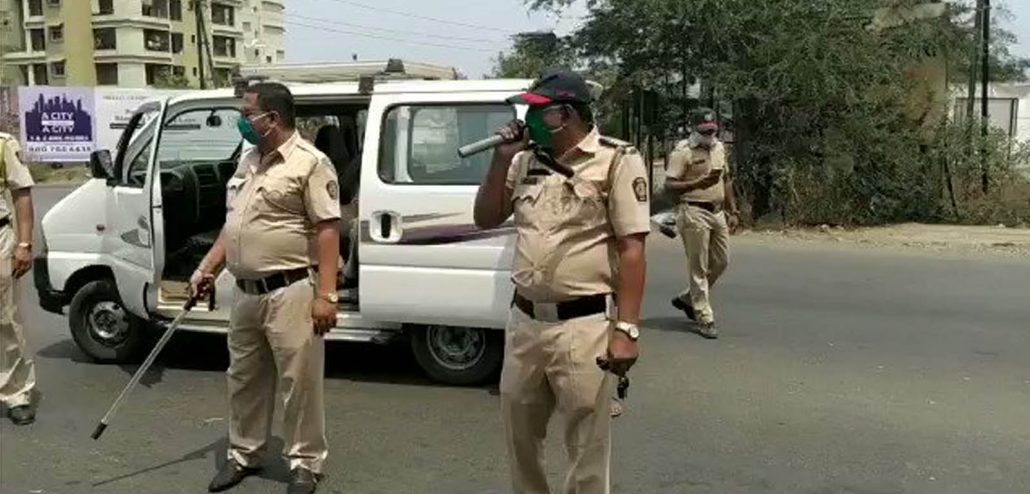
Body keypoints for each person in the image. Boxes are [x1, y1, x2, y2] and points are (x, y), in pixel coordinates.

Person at [474, 69, 650, 494]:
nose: (526, 120)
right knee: (520, 436)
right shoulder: (522, 161)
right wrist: (499, 161)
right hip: (526, 322)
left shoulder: (617, 160)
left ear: (564, 115)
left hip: (583, 324)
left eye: (537, 112)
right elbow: (486, 217)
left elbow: (632, 249)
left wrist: (626, 330)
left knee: (587, 445)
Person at [190, 82, 341, 494]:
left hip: (290, 289)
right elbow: (233, 223)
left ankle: (305, 463)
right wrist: (206, 268)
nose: (243, 119)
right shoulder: (248, 161)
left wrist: (327, 295)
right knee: (243, 378)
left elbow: (328, 229)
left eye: (248, 112)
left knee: (300, 380)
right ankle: (245, 454)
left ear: (271, 119)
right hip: (245, 292)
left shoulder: (310, 163)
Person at [664, 108, 739, 339]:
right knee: (698, 267)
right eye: (704, 131)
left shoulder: (719, 148)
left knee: (721, 261)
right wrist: (697, 182)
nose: (709, 135)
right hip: (693, 211)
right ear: (694, 128)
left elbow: (725, 180)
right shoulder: (683, 152)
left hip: (717, 213)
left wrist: (733, 209)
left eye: (712, 130)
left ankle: (688, 299)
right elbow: (669, 185)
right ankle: (704, 316)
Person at [0, 132, 37, 426]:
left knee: (6, 322)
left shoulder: (2, 145)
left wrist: (24, 244)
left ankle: (16, 393)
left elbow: (21, 193)